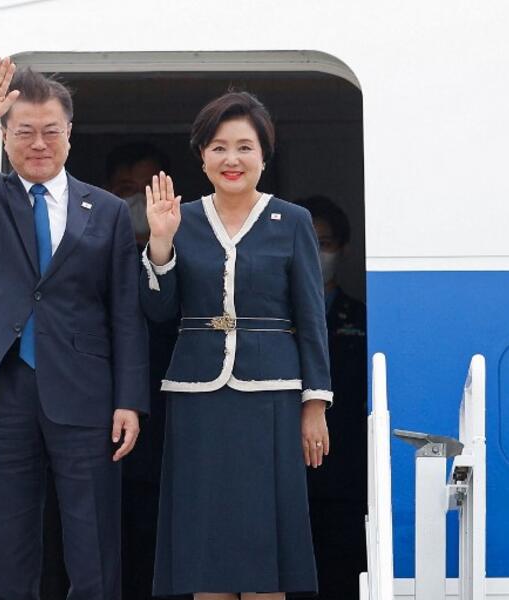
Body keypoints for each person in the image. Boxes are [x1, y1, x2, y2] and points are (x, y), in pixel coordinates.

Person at [0, 57, 149, 600]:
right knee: (9, 536)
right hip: (2, 385)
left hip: (86, 390)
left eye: (51, 131)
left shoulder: (108, 211)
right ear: (5, 138)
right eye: (24, 132)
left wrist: (129, 400)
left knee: (93, 537)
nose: (39, 143)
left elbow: (125, 309)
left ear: (70, 134)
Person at [140, 91, 332, 599]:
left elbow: (312, 317)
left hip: (271, 397)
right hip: (198, 398)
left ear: (264, 156)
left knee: (265, 545)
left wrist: (315, 405)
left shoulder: (291, 221)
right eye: (219, 147)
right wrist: (160, 243)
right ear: (201, 156)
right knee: (207, 545)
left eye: (245, 147)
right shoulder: (181, 219)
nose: (232, 159)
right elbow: (159, 313)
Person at [105, 142, 188, 600]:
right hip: (108, 430)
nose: (138, 201)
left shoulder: (191, 251)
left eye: (149, 189)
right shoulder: (91, 250)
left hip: (176, 428)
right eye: (125, 190)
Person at [299, 195, 368, 600]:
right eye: (306, 242)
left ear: (342, 248)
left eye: (323, 244)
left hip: (346, 474)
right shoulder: (271, 316)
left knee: (343, 575)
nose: (315, 253)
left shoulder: (364, 317)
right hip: (287, 473)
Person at [106, 142, 172, 245]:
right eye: (127, 188)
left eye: (150, 187)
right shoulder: (95, 252)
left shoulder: (187, 249)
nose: (140, 197)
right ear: (108, 191)